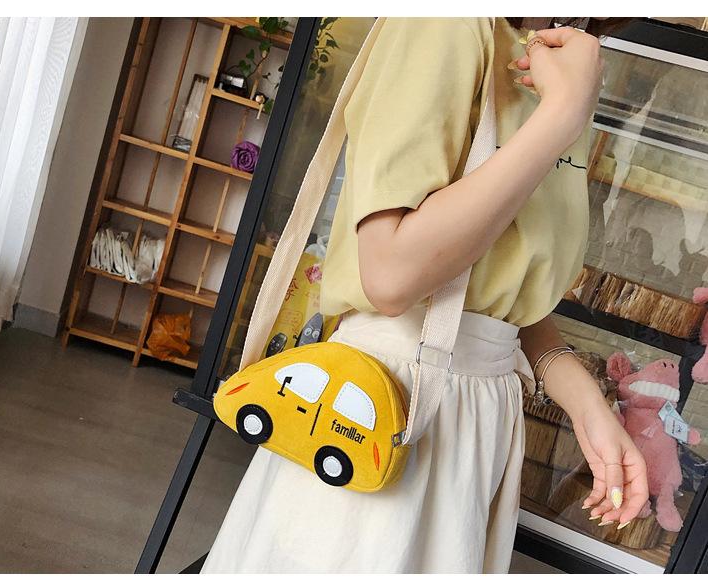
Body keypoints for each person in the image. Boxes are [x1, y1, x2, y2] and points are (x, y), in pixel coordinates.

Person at [201, 17, 649, 573]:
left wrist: (588, 407)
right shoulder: (447, 23)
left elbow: (492, 287)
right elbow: (391, 274)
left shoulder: (560, 57)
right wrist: (562, 115)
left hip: (478, 420)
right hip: (388, 402)